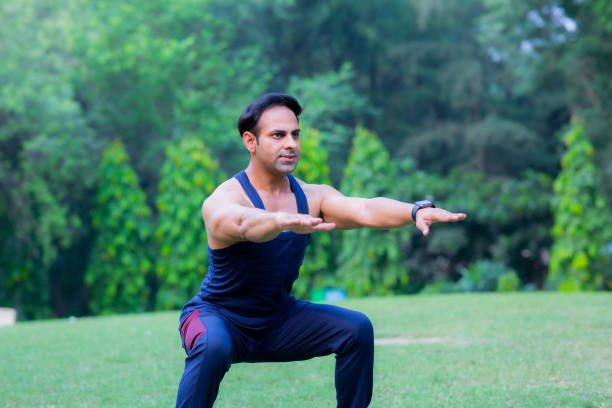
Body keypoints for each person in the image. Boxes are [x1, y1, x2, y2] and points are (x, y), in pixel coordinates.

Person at [175, 93, 466, 408]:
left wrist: (415, 211)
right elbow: (243, 224)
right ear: (251, 141)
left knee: (356, 329)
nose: (291, 144)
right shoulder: (226, 198)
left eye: (295, 134)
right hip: (218, 317)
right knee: (213, 346)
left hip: (276, 320)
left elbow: (365, 209)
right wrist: (278, 221)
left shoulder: (312, 197)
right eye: (278, 135)